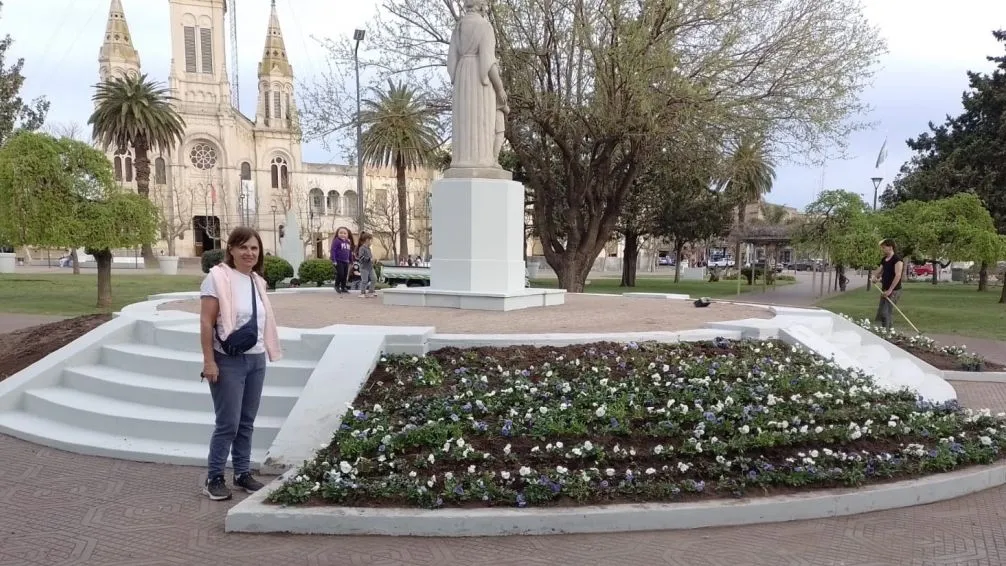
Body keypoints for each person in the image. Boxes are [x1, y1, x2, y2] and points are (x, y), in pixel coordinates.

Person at [199, 227, 283, 501]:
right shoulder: (218, 278)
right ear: (232, 249)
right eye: (244, 247)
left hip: (256, 358)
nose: (249, 253)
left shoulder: (257, 281)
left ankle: (242, 472)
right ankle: (214, 477)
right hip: (228, 359)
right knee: (228, 423)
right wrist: (209, 361)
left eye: (254, 248)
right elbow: (206, 321)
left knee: (246, 421)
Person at [871, 238, 904, 330]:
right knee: (882, 312)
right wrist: (875, 278)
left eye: (884, 247)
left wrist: (890, 290)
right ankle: (885, 332)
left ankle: (888, 334)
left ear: (890, 247)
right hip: (885, 289)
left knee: (886, 313)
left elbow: (897, 275)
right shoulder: (884, 259)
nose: (882, 249)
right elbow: (881, 270)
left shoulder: (897, 259)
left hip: (894, 290)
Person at [330, 226, 355, 294]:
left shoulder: (348, 242)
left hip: (346, 261)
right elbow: (333, 250)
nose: (342, 234)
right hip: (338, 261)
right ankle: (337, 285)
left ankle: (343, 287)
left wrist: (351, 260)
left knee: (345, 275)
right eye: (341, 233)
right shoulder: (337, 241)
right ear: (337, 234)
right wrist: (334, 260)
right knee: (340, 273)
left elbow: (349, 252)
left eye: (345, 233)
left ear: (347, 235)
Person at [357, 233, 378, 298]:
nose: (372, 242)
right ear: (367, 240)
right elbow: (361, 257)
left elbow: (370, 258)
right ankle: (362, 293)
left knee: (374, 279)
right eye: (371, 240)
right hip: (364, 267)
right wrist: (369, 259)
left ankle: (371, 291)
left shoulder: (369, 249)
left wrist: (374, 260)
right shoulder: (362, 248)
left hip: (370, 267)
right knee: (365, 280)